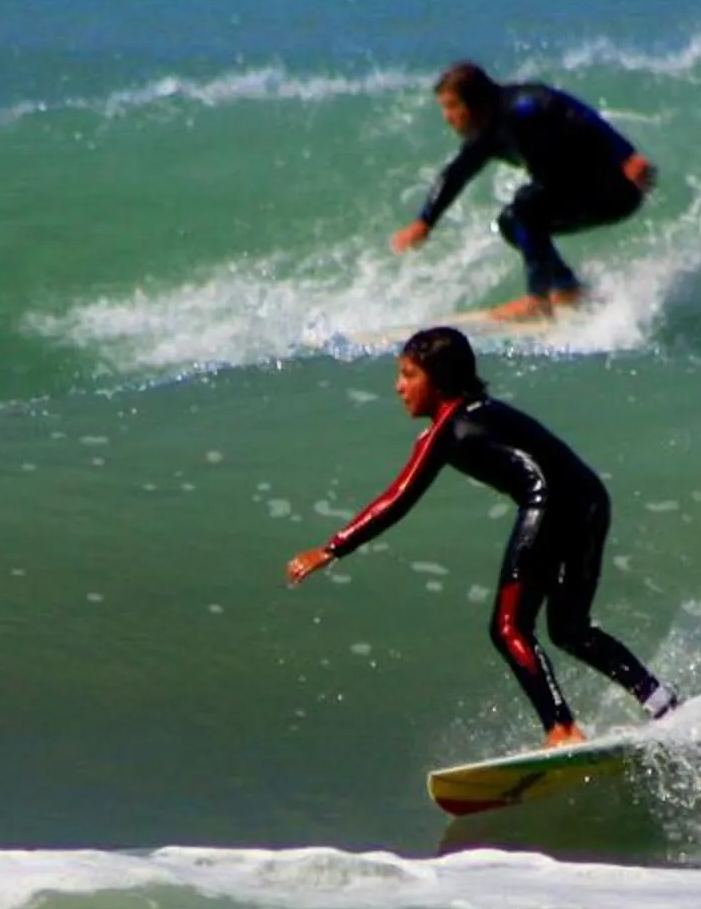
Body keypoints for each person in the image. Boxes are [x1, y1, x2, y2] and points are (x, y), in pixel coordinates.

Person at [287, 325, 680, 747]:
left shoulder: (447, 428)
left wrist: (332, 548)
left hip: (550, 503)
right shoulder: (484, 409)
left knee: (509, 627)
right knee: (569, 628)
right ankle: (660, 701)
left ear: (437, 379)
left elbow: (397, 499)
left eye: (408, 374)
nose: (398, 386)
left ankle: (562, 729)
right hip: (589, 500)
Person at [391, 63, 657, 320]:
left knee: (525, 207)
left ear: (475, 102)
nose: (447, 118)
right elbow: (456, 174)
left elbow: (581, 116)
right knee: (511, 222)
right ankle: (567, 289)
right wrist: (424, 222)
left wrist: (627, 156)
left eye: (451, 106)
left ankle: (537, 301)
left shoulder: (524, 107)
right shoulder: (487, 135)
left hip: (614, 189)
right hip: (579, 193)